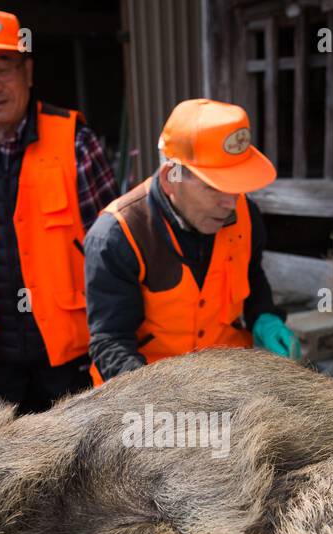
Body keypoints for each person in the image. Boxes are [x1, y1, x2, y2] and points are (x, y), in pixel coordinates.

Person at [0, 7, 118, 413]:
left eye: (4, 69)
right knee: (6, 468)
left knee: (77, 470)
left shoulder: (74, 140)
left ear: (28, 71)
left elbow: (111, 251)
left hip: (70, 354)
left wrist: (111, 338)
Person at [84, 98, 298, 383]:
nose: (229, 203)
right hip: (147, 389)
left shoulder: (246, 215)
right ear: (171, 178)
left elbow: (252, 274)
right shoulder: (117, 235)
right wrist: (159, 401)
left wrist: (264, 315)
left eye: (235, 185)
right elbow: (111, 342)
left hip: (229, 380)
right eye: (214, 188)